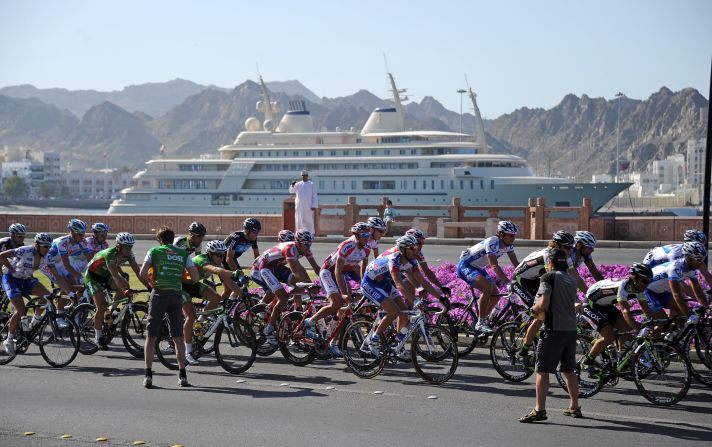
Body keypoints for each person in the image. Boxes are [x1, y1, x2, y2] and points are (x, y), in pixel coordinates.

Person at [520, 249, 581, 422]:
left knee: (542, 370)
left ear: (550, 263)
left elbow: (544, 303)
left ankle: (539, 410)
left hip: (553, 331)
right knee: (569, 370)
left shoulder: (548, 277)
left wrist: (534, 309)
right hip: (571, 331)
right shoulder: (571, 279)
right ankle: (574, 406)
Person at [361, 235, 442, 356]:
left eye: (415, 247)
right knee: (394, 311)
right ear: (403, 249)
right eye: (412, 248)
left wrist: (440, 297)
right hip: (370, 283)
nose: (416, 250)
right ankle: (374, 339)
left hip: (384, 283)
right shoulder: (394, 259)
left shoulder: (412, 260)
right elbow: (399, 284)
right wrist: (415, 301)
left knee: (404, 312)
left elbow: (423, 281)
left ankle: (399, 344)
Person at [140, 226, 199, 388]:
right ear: (173, 239)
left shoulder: (154, 251)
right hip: (176, 295)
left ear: (160, 240)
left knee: (151, 337)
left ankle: (148, 375)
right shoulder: (183, 254)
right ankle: (182, 375)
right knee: (178, 338)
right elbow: (195, 277)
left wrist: (152, 283)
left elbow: (142, 273)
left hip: (159, 293)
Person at [306, 222, 372, 357]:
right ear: (356, 236)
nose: (367, 237)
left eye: (368, 234)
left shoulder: (367, 248)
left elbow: (362, 271)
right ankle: (310, 321)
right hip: (329, 271)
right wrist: (343, 294)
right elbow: (337, 271)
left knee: (345, 309)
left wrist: (365, 287)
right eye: (364, 235)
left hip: (344, 273)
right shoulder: (347, 245)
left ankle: (332, 342)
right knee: (336, 302)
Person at [0, 233, 70, 355]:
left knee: (47, 296)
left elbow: (58, 277)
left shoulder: (47, 257)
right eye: (44, 246)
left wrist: (70, 293)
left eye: (48, 247)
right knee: (20, 309)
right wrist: (12, 269)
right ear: (36, 245)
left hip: (25, 279)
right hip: (11, 279)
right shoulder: (24, 250)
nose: (47, 249)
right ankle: (9, 339)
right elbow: (2, 256)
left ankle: (34, 322)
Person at [580, 263, 654, 375]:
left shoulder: (638, 289)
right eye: (644, 281)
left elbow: (646, 309)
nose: (646, 285)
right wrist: (638, 328)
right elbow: (625, 311)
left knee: (625, 329)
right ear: (635, 278)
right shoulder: (623, 287)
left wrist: (653, 323)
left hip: (605, 305)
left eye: (649, 282)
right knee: (609, 336)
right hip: (591, 304)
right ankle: (587, 362)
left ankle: (621, 358)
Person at [252, 230, 320, 345]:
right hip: (266, 267)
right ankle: (268, 329)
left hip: (278, 267)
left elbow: (314, 268)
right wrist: (309, 285)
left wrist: (320, 283)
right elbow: (296, 271)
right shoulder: (290, 248)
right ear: (298, 243)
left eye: (310, 244)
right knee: (283, 297)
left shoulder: (305, 249)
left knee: (298, 287)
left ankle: (296, 311)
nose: (308, 247)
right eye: (306, 244)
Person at [180, 240, 241, 365]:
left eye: (223, 255)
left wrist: (240, 291)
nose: (221, 258)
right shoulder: (201, 259)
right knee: (190, 315)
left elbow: (227, 281)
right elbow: (214, 269)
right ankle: (188, 352)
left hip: (194, 284)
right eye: (218, 255)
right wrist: (233, 272)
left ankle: (200, 321)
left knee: (217, 299)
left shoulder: (217, 263)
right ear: (209, 254)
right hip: (181, 286)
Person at [84, 232, 150, 349]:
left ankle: (111, 311)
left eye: (131, 246)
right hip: (92, 277)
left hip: (105, 276)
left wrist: (150, 287)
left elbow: (138, 273)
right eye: (127, 247)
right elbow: (115, 274)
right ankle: (98, 337)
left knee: (125, 284)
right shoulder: (110, 254)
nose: (129, 249)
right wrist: (125, 290)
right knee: (101, 306)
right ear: (119, 246)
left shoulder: (129, 254)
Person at [457, 221, 519, 333]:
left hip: (478, 268)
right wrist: (508, 283)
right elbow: (494, 266)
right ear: (501, 234)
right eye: (510, 235)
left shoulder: (509, 246)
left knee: (496, 295)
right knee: (487, 288)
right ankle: (480, 323)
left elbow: (516, 264)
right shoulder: (492, 242)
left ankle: (481, 320)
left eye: (514, 235)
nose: (513, 238)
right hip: (466, 265)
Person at [643, 241, 709, 320]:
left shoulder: (691, 269)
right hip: (648, 291)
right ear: (688, 258)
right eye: (699, 259)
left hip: (662, 291)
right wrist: (690, 316)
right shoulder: (675, 268)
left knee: (682, 317)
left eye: (703, 259)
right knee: (663, 321)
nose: (701, 263)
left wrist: (707, 308)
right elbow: (676, 294)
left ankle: (677, 332)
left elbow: (698, 293)